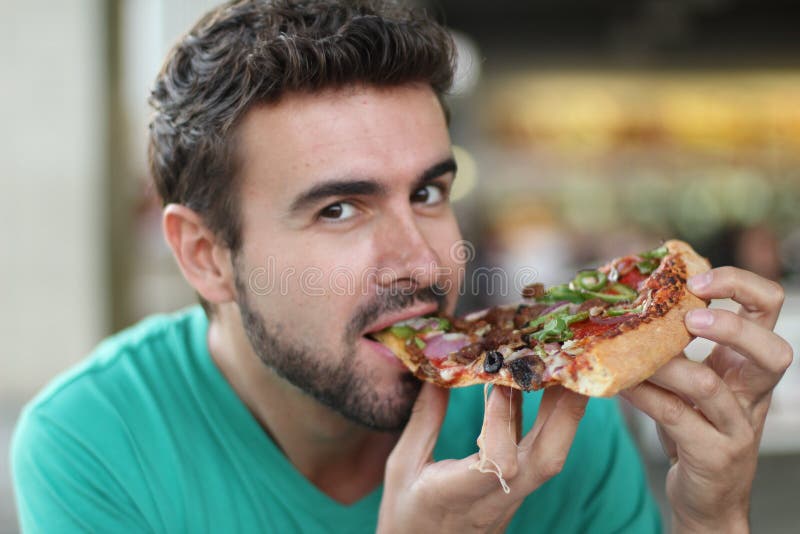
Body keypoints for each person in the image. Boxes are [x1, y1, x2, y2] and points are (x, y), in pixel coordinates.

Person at [11, 1, 792, 532]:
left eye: (427, 192)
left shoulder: (556, 400)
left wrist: (711, 518)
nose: (422, 260)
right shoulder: (95, 444)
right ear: (205, 256)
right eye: (338, 209)